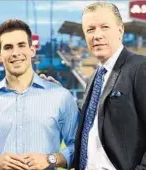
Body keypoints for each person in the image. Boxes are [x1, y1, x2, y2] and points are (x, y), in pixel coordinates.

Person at [0, 19, 79, 170]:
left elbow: (79, 147)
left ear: (32, 50)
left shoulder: (61, 97)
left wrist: (51, 159)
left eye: (21, 45)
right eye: (8, 47)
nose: (15, 53)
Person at [73, 2, 146, 170]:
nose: (97, 35)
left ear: (120, 30)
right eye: (90, 30)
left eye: (104, 27)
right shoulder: (96, 76)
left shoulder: (140, 67)